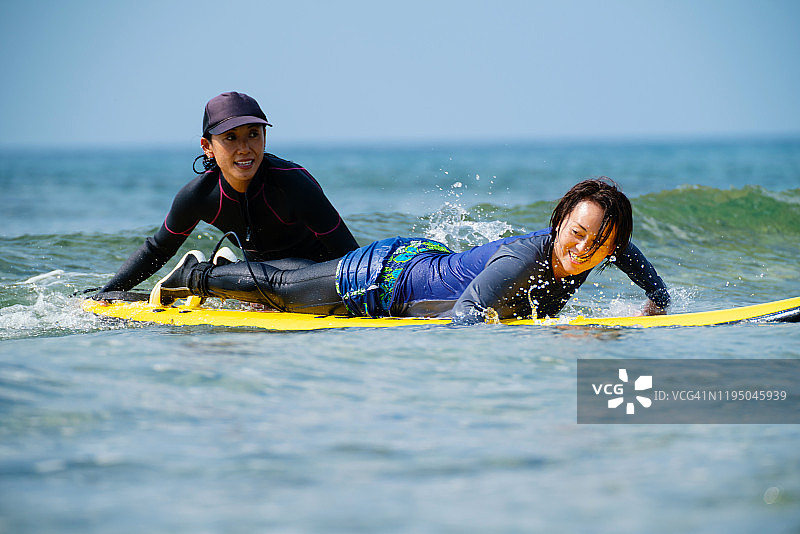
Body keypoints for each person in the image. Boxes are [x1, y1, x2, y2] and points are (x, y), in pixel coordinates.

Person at [150, 178, 670, 324]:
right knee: (287, 291)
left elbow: (629, 254)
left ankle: (231, 269)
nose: (583, 248)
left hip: (425, 261)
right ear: (559, 222)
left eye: (598, 242)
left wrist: (657, 297)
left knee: (296, 282)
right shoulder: (522, 262)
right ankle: (196, 275)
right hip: (386, 280)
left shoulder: (604, 246)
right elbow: (466, 316)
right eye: (576, 232)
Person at [95, 91, 358, 299]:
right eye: (230, 138)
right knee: (282, 279)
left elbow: (348, 255)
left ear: (265, 138)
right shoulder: (199, 195)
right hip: (264, 282)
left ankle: (226, 273)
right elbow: (158, 248)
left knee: (301, 271)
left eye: (253, 135)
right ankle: (201, 275)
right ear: (207, 146)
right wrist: (107, 292)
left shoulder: (292, 183)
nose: (245, 148)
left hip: (312, 273)